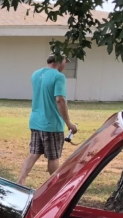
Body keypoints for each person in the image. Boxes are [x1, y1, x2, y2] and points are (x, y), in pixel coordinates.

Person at [17, 54, 78, 185]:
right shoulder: (58, 76)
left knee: (34, 153)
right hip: (51, 124)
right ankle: (55, 186)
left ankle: (21, 180)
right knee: (53, 156)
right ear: (59, 61)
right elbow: (59, 100)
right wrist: (68, 123)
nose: (65, 64)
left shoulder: (36, 74)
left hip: (35, 121)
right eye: (65, 61)